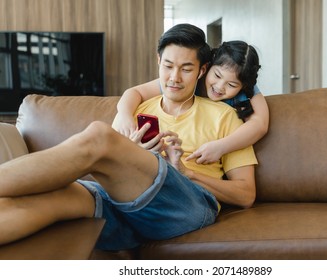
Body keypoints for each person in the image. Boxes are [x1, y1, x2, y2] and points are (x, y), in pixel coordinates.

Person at [0, 23, 257, 250]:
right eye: (168, 66)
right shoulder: (138, 109)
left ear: (202, 71)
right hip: (124, 202)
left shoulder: (225, 116)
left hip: (187, 204)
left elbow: (245, 195)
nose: (174, 78)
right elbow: (108, 168)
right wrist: (131, 154)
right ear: (158, 61)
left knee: (99, 134)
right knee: (48, 199)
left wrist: (186, 173)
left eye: (186, 69)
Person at [112, 40, 269, 164]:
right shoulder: (189, 81)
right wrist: (124, 115)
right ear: (206, 68)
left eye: (232, 85)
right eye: (217, 76)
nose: (220, 87)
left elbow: (260, 124)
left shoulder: (245, 89)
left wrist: (221, 147)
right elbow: (134, 92)